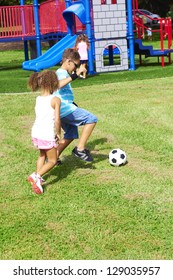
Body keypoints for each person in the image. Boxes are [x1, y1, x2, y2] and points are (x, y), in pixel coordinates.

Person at [54, 48, 98, 163]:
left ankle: (53, 157)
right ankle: (80, 149)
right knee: (91, 119)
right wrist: (76, 75)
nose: (75, 68)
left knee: (71, 133)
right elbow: (58, 85)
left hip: (63, 109)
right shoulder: (60, 73)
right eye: (75, 65)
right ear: (68, 61)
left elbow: (63, 94)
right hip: (64, 109)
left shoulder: (63, 73)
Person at [28, 70, 61, 194]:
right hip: (46, 134)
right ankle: (36, 176)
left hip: (36, 132)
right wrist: (58, 133)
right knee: (53, 160)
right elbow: (57, 119)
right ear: (54, 83)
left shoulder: (38, 98)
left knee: (42, 155)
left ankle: (38, 179)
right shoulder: (55, 99)